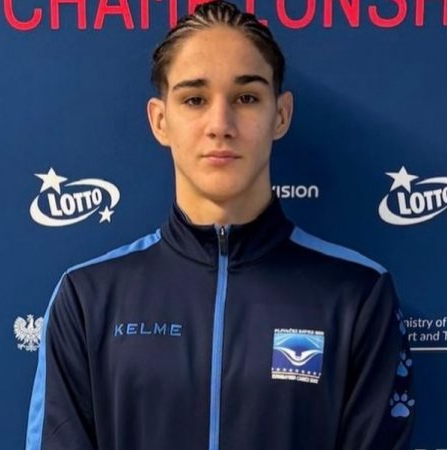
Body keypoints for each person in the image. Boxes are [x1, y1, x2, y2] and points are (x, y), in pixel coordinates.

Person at [25, 1, 414, 449]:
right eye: (194, 99)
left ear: (281, 115)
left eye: (246, 98)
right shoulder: (88, 298)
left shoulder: (357, 294)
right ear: (160, 120)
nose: (220, 125)